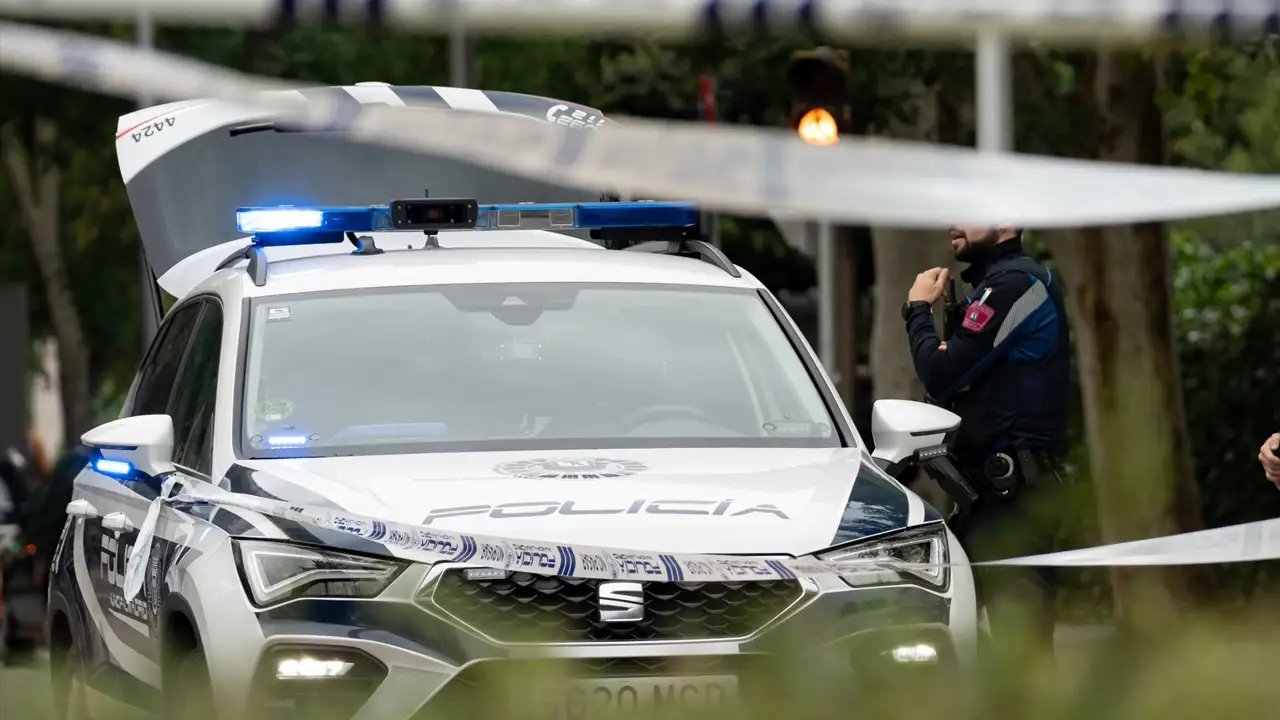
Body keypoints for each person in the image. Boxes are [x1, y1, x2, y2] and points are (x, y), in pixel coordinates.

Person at [900, 225, 1072, 671]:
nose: (953, 222)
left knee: (1021, 659)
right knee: (932, 630)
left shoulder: (1016, 284)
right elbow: (949, 386)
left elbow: (940, 374)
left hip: (1017, 500)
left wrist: (917, 308)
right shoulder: (993, 287)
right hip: (990, 500)